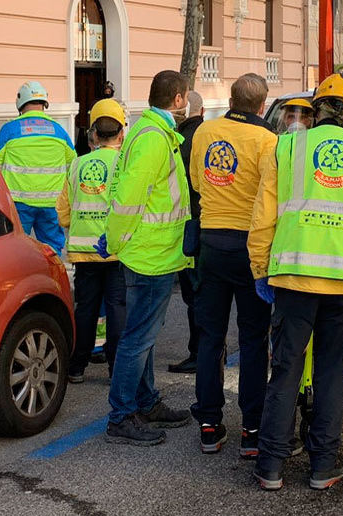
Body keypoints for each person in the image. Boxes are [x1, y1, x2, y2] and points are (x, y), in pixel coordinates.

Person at [248, 74, 343, 490]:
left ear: (317, 111)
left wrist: (260, 269)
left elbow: (263, 218)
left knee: (285, 370)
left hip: (293, 278)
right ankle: (323, 466)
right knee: (332, 375)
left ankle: (270, 466)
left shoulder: (286, 148)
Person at [99, 70, 195, 445]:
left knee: (144, 336)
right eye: (186, 97)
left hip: (152, 252)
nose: (187, 103)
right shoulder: (154, 137)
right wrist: (115, 240)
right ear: (177, 99)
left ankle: (146, 401)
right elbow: (129, 198)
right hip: (150, 255)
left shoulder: (150, 131)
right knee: (137, 339)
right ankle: (122, 416)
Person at [188, 74, 277, 456]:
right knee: (254, 339)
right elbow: (272, 194)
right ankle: (252, 430)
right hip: (251, 247)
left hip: (211, 243)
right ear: (262, 106)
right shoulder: (268, 140)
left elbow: (197, 182)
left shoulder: (205, 132)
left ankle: (209, 424)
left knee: (210, 336)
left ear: (230, 100)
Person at [58, 99, 129, 382]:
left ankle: (77, 366)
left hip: (83, 252)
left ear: (94, 134)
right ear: (121, 133)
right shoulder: (125, 164)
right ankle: (115, 368)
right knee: (116, 307)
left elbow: (62, 212)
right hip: (116, 250)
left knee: (86, 309)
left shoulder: (78, 164)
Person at [0, 81, 76, 254]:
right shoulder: (59, 131)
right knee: (52, 251)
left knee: (16, 250)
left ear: (20, 103)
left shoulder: (10, 129)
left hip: (19, 203)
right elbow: (73, 164)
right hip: (52, 203)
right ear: (44, 104)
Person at [169, 90, 205, 374]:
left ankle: (198, 352)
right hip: (208, 220)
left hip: (188, 223)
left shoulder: (179, 140)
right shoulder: (207, 136)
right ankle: (207, 349)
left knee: (194, 293)